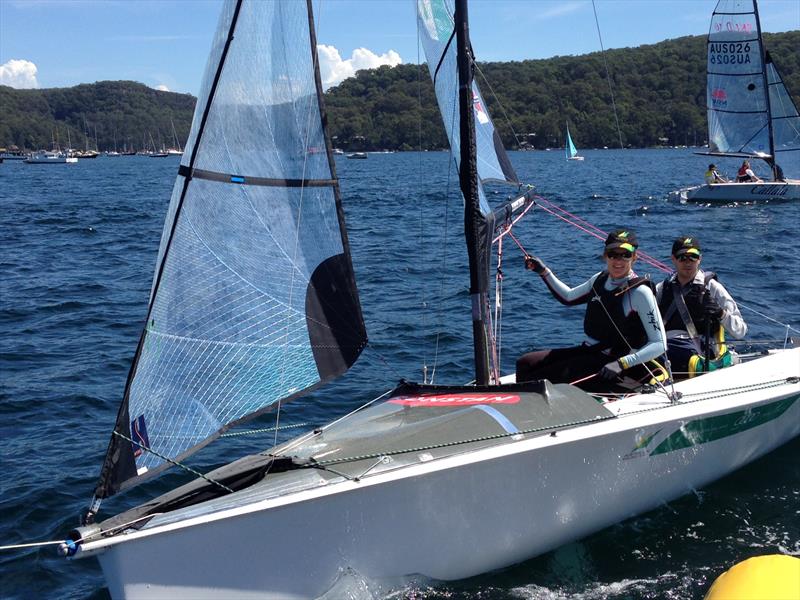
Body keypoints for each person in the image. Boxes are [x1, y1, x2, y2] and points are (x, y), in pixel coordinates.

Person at [516, 229, 667, 391]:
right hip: (589, 352)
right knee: (525, 363)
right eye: (612, 254)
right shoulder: (599, 279)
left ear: (635, 257)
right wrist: (543, 272)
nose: (618, 260)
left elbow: (659, 344)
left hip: (615, 363)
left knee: (541, 377)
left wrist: (621, 363)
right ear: (605, 255)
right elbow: (568, 297)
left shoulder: (640, 293)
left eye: (625, 255)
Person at [656, 236, 747, 378]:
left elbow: (740, 330)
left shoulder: (713, 288)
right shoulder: (662, 289)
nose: (688, 262)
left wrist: (720, 313)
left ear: (700, 258)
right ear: (673, 259)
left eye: (693, 257)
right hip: (666, 349)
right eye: (682, 257)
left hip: (700, 353)